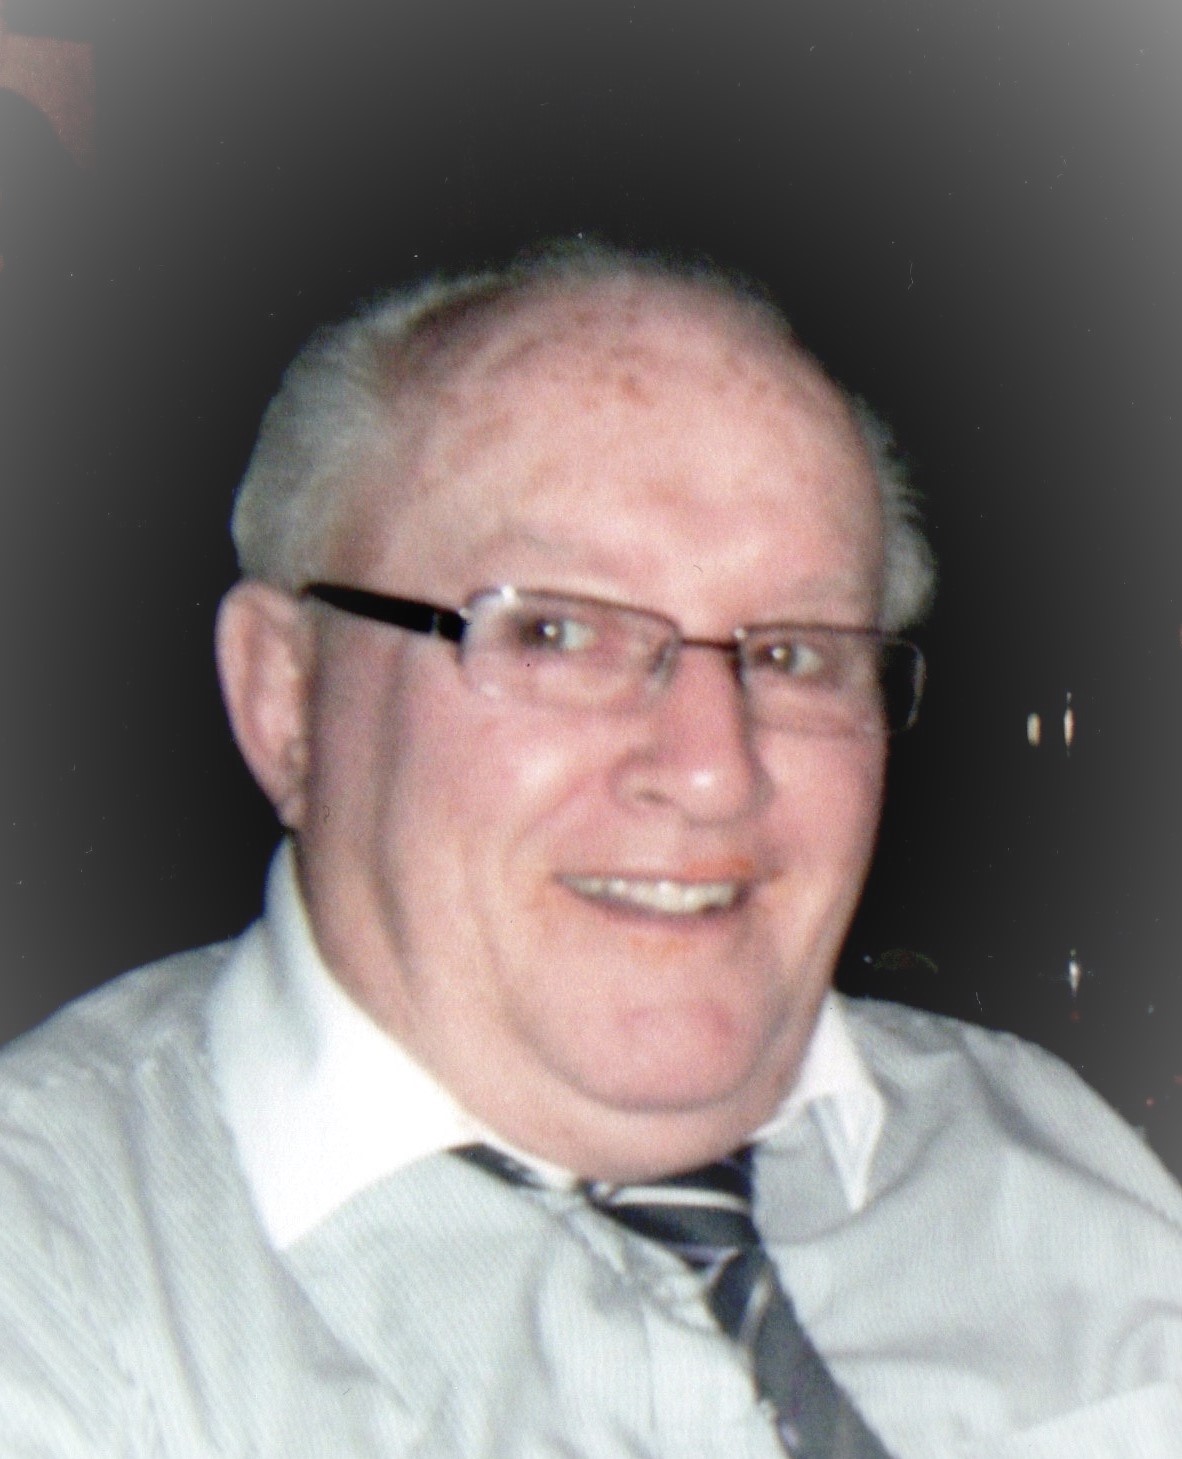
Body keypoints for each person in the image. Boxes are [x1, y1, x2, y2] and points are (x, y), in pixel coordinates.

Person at [2, 245, 1181, 1458]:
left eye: (794, 654)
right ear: (286, 695)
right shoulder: (55, 1284)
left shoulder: (1050, 1160)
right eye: (556, 634)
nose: (714, 768)